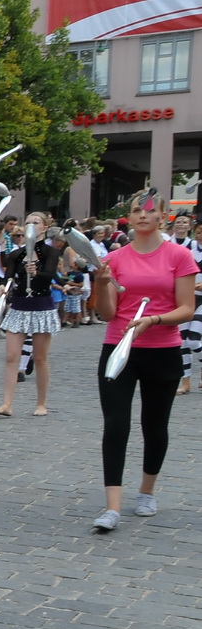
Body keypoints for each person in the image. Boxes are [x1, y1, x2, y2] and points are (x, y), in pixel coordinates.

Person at [91, 191, 197, 531]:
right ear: (130, 216)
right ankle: (112, 507)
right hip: (119, 346)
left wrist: (153, 320)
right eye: (137, 210)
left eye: (150, 211)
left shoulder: (179, 256)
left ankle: (147, 491)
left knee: (154, 426)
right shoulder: (116, 258)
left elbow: (186, 309)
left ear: (162, 217)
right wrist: (100, 283)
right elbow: (107, 312)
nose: (142, 215)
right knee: (116, 424)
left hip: (162, 349)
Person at [0, 214, 63, 419]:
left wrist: (37, 271)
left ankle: (41, 403)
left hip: (41, 306)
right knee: (11, 356)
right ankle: (6, 403)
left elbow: (49, 276)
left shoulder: (51, 252)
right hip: (20, 306)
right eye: (28, 222)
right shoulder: (17, 254)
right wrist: (4, 287)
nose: (31, 225)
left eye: (35, 223)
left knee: (40, 358)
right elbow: (9, 276)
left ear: (45, 228)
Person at [170, 213, 202, 394]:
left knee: (193, 339)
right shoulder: (187, 249)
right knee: (182, 341)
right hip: (187, 297)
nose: (199, 235)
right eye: (198, 232)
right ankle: (186, 382)